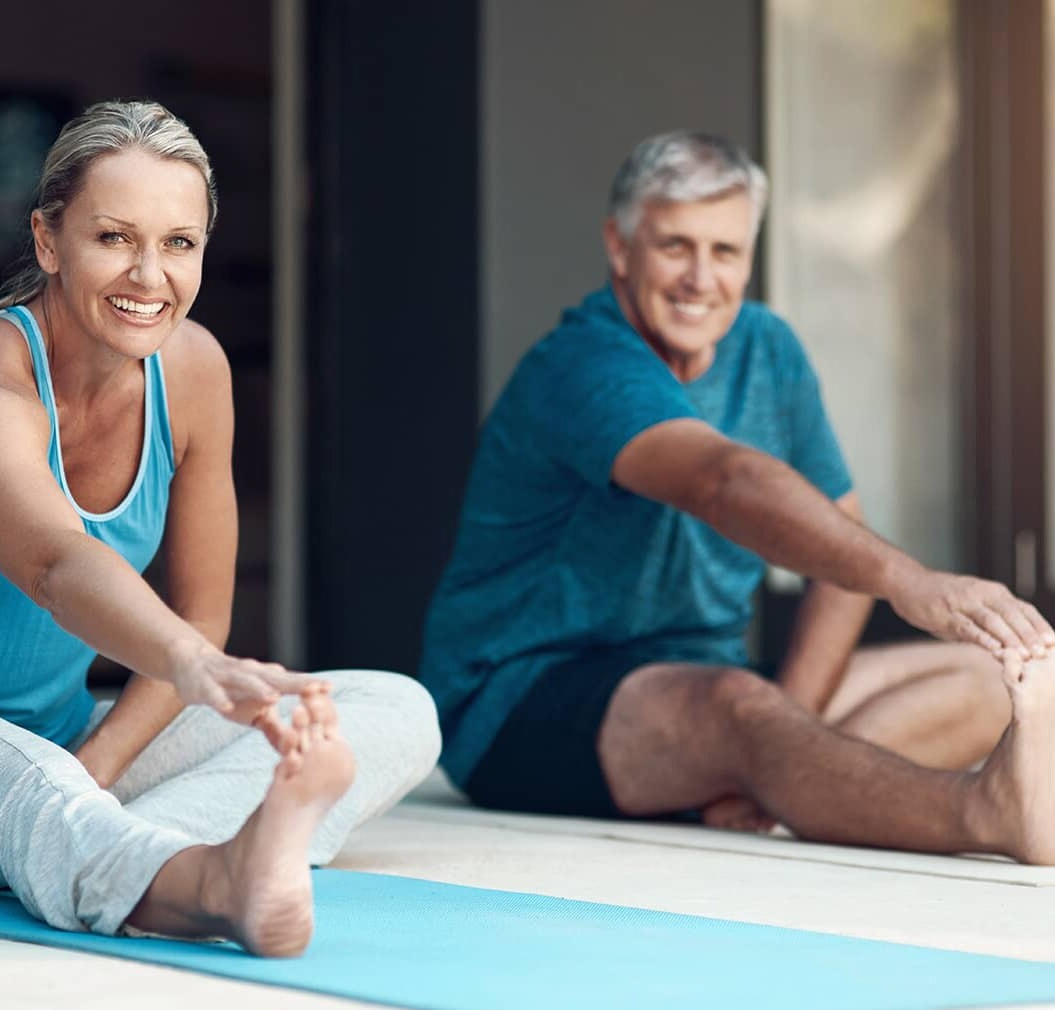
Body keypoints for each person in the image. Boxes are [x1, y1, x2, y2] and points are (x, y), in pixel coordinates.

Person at [0, 100, 440, 957]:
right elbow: (55, 564)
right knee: (25, 784)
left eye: (178, 243)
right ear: (48, 241)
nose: (149, 276)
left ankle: (99, 840)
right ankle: (201, 883)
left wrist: (103, 762)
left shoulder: (194, 371)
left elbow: (201, 618)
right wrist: (195, 667)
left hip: (56, 741)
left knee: (392, 710)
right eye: (115, 238)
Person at [418, 130, 1055, 863]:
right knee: (736, 709)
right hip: (519, 701)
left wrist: (788, 724)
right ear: (619, 248)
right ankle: (983, 814)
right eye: (675, 247)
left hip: (705, 680)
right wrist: (910, 582)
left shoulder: (767, 348)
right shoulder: (584, 362)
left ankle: (769, 785)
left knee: (990, 677)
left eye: (724, 252)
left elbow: (839, 564)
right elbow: (723, 480)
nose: (700, 278)